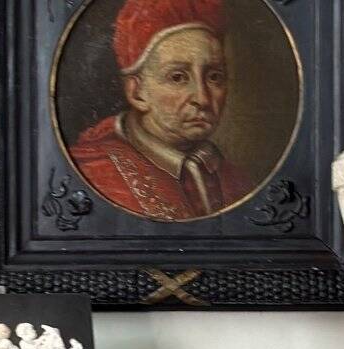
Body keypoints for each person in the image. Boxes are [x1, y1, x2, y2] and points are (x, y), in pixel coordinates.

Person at [69, 0, 250, 221]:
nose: (202, 98)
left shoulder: (234, 179)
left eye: (214, 77)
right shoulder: (93, 173)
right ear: (137, 93)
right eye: (177, 77)